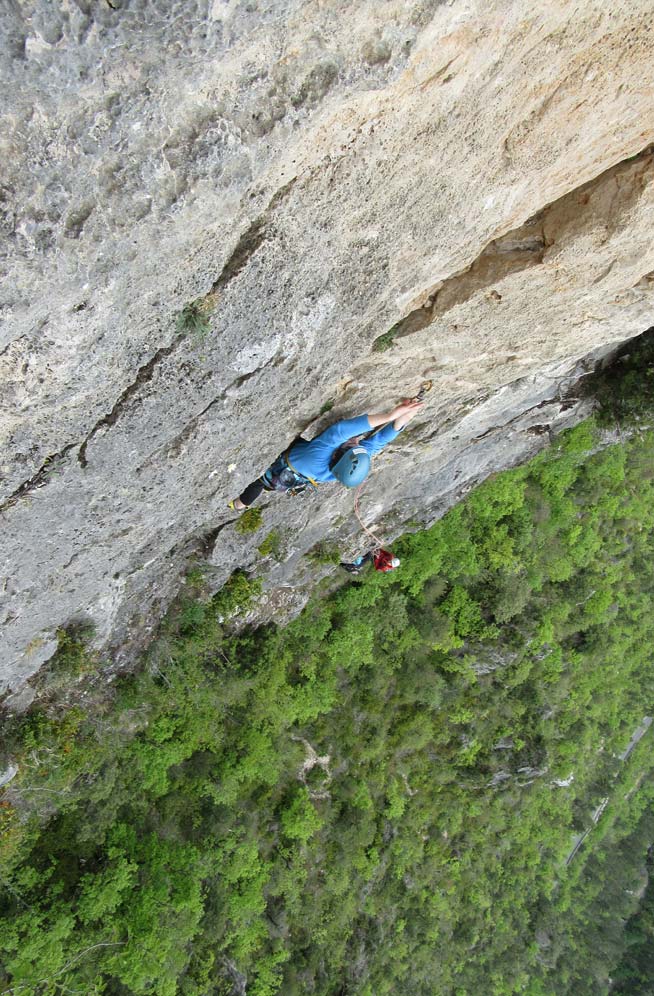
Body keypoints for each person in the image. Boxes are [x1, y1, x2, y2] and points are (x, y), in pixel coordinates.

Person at [229, 400, 423, 510]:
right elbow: (377, 442)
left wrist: (389, 416)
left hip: (278, 472)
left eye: (353, 444)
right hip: (291, 480)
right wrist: (404, 418)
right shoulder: (338, 470)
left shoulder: (318, 455)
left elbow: (342, 431)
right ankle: (239, 505)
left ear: (337, 455)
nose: (357, 440)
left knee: (257, 484)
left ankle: (238, 505)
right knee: (262, 486)